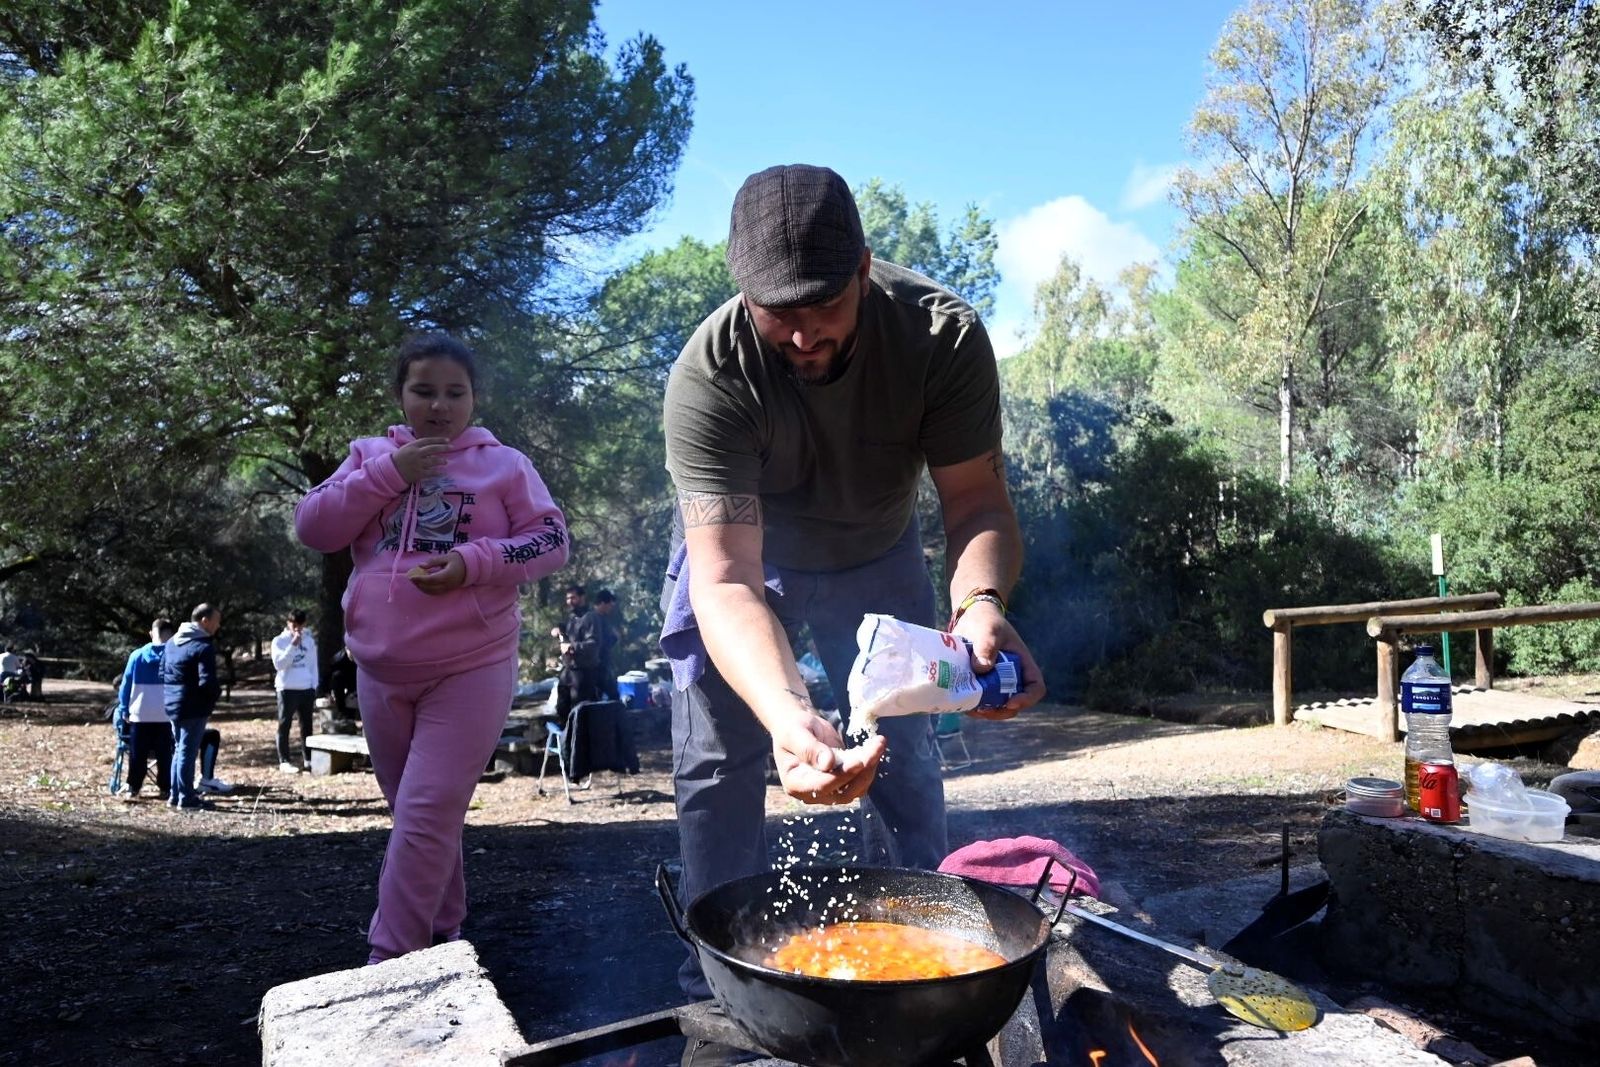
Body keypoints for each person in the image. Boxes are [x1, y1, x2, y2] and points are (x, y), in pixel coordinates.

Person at [660, 165, 1045, 1008]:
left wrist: (979, 604)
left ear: (864, 271)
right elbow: (723, 577)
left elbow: (976, 503)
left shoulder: (941, 336)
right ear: (742, 293)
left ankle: (924, 957)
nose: (801, 335)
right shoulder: (708, 375)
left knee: (904, 760)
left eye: (822, 306)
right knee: (721, 757)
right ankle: (717, 985)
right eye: (777, 313)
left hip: (875, 552)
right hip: (738, 561)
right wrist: (788, 714)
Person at [295, 332, 571, 964]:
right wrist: (391, 474)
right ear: (400, 395)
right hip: (381, 669)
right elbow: (315, 526)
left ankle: (387, 961)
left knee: (423, 815)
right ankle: (445, 934)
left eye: (456, 392)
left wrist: (472, 562)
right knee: (420, 822)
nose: (440, 406)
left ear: (474, 398)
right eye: (424, 391)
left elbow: (550, 541)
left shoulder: (505, 466)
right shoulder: (369, 457)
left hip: (470, 666)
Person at [161, 603, 225, 811]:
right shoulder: (203, 645)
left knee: (179, 750)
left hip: (172, 703)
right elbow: (207, 682)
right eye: (216, 621)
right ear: (204, 621)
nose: (218, 625)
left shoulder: (172, 643)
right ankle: (187, 799)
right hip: (193, 706)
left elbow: (163, 673)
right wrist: (215, 696)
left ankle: (174, 794)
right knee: (187, 752)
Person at [115, 618, 176, 801]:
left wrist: (124, 707)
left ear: (151, 633)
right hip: (165, 715)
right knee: (165, 755)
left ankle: (133, 786)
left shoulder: (137, 655)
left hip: (140, 713)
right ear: (171, 635)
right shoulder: (174, 656)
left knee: (137, 755)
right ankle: (166, 787)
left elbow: (125, 685)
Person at [271, 609, 319, 773]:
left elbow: (313, 666)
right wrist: (292, 645)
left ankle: (309, 759)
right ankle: (284, 760)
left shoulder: (310, 641)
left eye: (300, 625)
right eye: (293, 625)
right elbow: (279, 664)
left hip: (306, 688)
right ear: (288, 623)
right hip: (287, 688)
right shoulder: (279, 641)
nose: (297, 629)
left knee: (307, 725)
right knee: (285, 724)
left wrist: (314, 685)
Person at [549, 583, 602, 723]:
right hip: (569, 670)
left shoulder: (591, 618)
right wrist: (558, 630)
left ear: (582, 597)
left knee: (578, 711)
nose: (569, 601)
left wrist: (572, 646)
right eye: (568, 598)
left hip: (584, 673)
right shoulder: (572, 617)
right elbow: (564, 629)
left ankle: (578, 742)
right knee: (562, 707)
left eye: (573, 598)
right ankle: (566, 739)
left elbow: (593, 645)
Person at [593, 589, 623, 701]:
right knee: (610, 695)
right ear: (603, 603)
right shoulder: (594, 619)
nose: (611, 608)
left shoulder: (603, 619)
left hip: (604, 664)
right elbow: (599, 643)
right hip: (597, 666)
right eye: (610, 605)